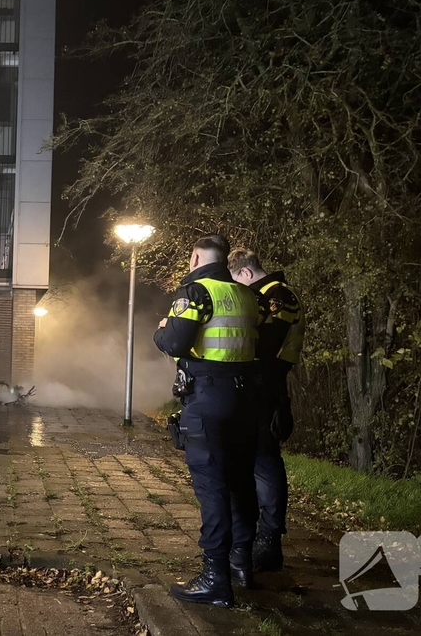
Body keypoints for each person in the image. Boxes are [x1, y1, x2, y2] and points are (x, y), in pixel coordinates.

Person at [154, 234, 261, 607]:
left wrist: (163, 326)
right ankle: (241, 563)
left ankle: (215, 579)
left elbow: (174, 344)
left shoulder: (196, 292)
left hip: (209, 400)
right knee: (241, 483)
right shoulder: (250, 295)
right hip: (246, 399)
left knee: (212, 487)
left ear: (196, 257)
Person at [228, 248, 306, 573]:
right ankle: (253, 539)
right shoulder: (266, 295)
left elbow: (266, 343)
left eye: (236, 282)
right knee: (253, 463)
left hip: (266, 387)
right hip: (256, 387)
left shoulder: (278, 296)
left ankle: (270, 540)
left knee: (264, 462)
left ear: (245, 273)